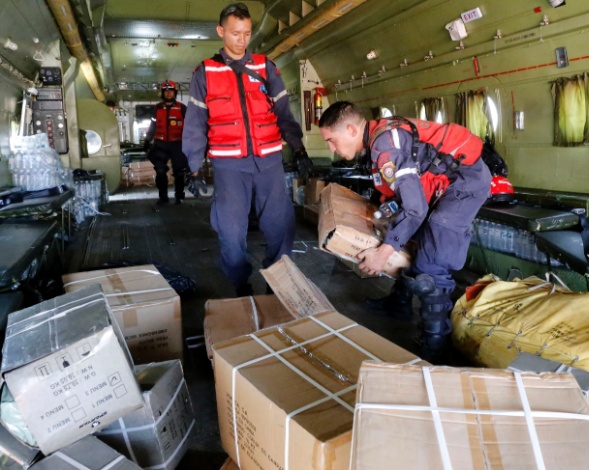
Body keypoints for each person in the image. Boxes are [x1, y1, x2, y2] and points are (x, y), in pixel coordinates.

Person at [318, 101, 491, 362]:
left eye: (332, 140)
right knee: (409, 236)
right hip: (441, 181)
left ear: (352, 130)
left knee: (432, 262)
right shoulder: (376, 136)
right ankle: (399, 304)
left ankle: (437, 347)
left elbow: (415, 210)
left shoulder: (385, 146)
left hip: (465, 182)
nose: (331, 148)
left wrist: (382, 254)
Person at [182, 2, 313, 296]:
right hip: (229, 165)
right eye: (235, 33)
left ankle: (275, 284)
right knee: (230, 231)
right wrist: (193, 167)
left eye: (247, 33)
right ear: (221, 32)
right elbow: (195, 123)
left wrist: (299, 149)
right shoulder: (205, 72)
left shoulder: (265, 67)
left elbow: (284, 113)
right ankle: (240, 283)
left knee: (280, 226)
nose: (241, 40)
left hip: (268, 160)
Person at [144, 80, 190, 205]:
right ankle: (163, 197)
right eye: (166, 91)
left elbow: (190, 126)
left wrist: (190, 141)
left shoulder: (182, 108)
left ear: (175, 93)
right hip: (161, 143)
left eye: (171, 91)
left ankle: (179, 196)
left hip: (178, 144)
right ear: (163, 93)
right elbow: (152, 125)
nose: (168, 93)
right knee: (159, 170)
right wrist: (147, 140)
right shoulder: (157, 108)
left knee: (179, 172)